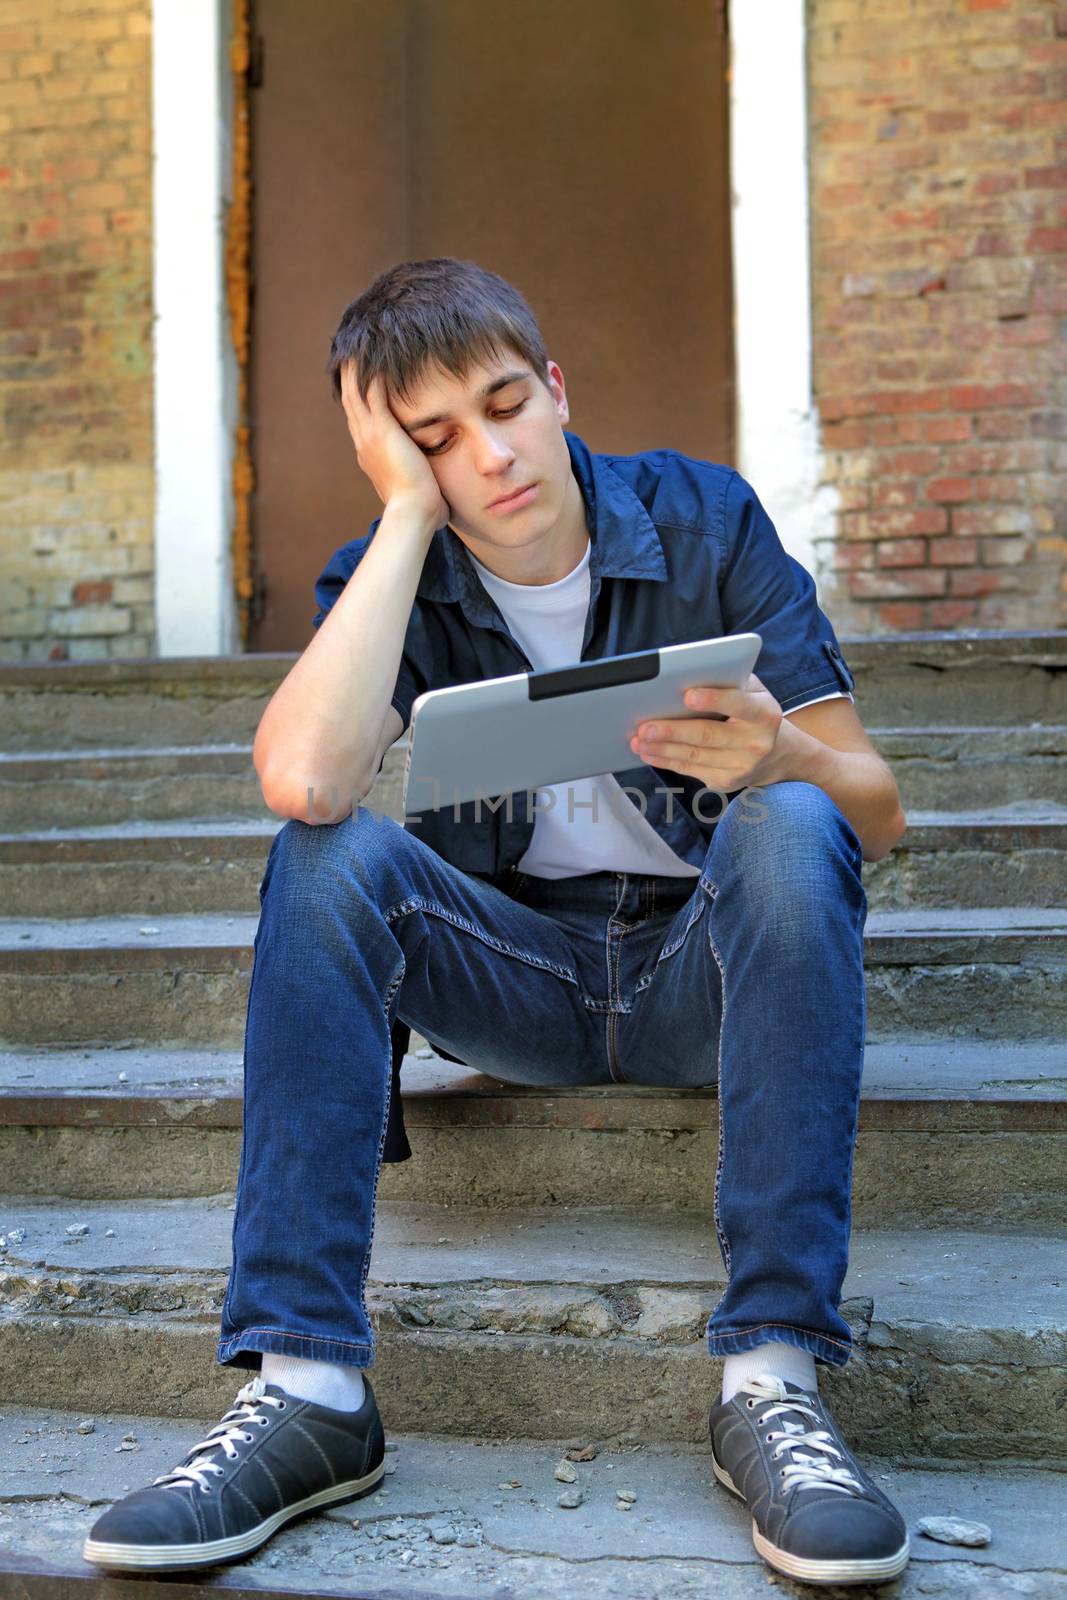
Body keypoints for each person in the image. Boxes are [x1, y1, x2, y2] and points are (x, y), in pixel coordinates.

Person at [84, 258, 910, 1587]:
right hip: (521, 983)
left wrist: (780, 760)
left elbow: (876, 810)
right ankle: (308, 1392)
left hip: (707, 966)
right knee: (331, 851)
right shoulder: (389, 573)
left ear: (557, 389)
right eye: (435, 441)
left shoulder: (706, 522)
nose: (494, 453)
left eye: (507, 404)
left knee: (796, 822)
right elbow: (305, 780)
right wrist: (406, 525)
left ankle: (773, 1379)